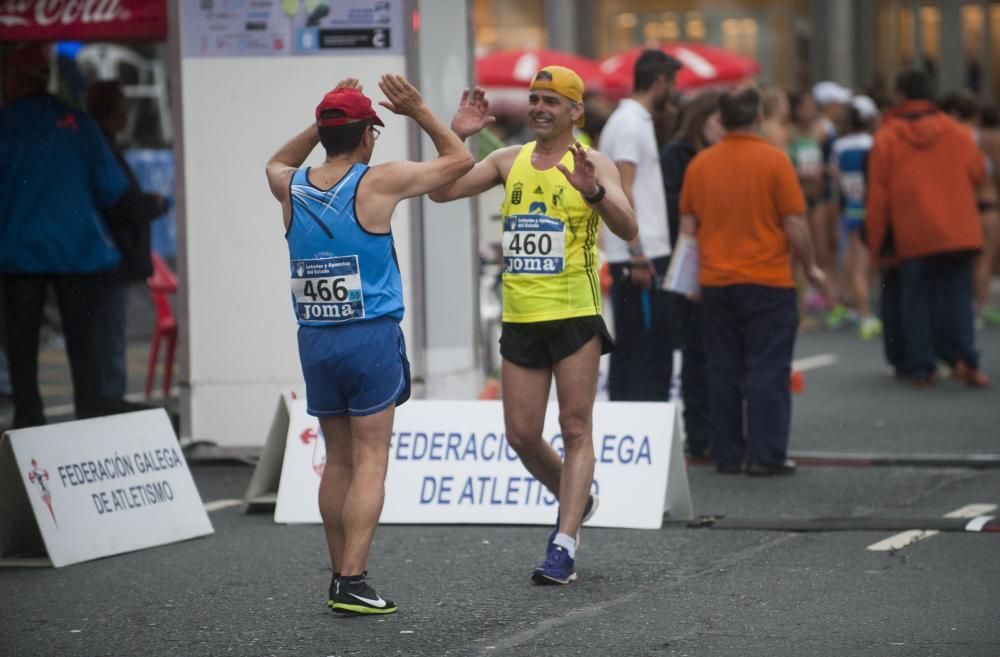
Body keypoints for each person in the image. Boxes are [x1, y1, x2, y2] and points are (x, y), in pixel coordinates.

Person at [264, 75, 473, 614]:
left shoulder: (291, 184)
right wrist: (421, 110)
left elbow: (274, 160)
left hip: (315, 338)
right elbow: (458, 162)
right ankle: (352, 580)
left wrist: (326, 115)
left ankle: (341, 574)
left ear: (326, 132)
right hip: (370, 335)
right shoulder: (377, 181)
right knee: (372, 458)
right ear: (367, 136)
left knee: (338, 462)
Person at [430, 66, 637, 584]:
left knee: (574, 427)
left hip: (573, 313)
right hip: (521, 315)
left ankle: (564, 543)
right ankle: (578, 495)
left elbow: (628, 228)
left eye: (551, 100)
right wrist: (460, 137)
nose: (539, 107)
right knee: (522, 434)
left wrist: (594, 193)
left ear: (575, 112)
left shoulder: (595, 162)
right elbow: (440, 192)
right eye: (534, 98)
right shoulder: (506, 160)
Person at [679, 86, 825, 476]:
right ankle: (765, 454)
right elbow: (795, 222)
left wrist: (687, 279)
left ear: (722, 120)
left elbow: (689, 229)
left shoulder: (701, 165)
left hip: (715, 281)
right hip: (768, 279)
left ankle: (727, 453)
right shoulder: (775, 162)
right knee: (767, 367)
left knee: (722, 367)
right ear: (758, 118)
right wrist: (810, 266)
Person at [0, 43, 129, 428]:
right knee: (82, 344)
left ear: (14, 79)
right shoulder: (75, 122)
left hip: (17, 254)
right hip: (77, 253)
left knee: (21, 346)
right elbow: (112, 188)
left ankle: (28, 419)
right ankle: (88, 415)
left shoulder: (4, 124)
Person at [866, 70, 989, 388]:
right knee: (957, 296)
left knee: (915, 300)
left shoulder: (888, 136)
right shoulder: (956, 131)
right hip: (956, 227)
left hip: (913, 230)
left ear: (902, 95)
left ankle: (922, 366)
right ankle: (965, 359)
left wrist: (877, 242)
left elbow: (878, 195)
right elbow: (977, 173)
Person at [599, 49, 681, 401]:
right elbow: (623, 189)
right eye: (672, 85)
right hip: (639, 254)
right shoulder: (631, 125)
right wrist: (636, 252)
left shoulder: (630, 120)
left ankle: (632, 422)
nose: (673, 93)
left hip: (637, 250)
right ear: (660, 82)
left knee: (637, 349)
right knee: (647, 351)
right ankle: (642, 425)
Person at [86, 80, 171, 401]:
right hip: (110, 263)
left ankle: (106, 403)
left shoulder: (102, 146)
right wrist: (152, 205)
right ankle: (108, 408)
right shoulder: (101, 149)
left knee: (107, 343)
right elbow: (121, 201)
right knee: (109, 344)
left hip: (107, 262)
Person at [660, 89, 723, 459]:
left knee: (718, 355)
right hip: (690, 264)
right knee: (698, 356)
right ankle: (701, 437)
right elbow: (672, 210)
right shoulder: (678, 156)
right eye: (718, 120)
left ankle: (720, 433)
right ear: (701, 120)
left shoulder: (716, 155)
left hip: (718, 262)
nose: (724, 128)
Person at [828, 95, 882, 340]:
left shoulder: (839, 146)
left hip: (851, 209)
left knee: (853, 262)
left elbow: (835, 177)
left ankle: (857, 307)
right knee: (867, 266)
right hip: (873, 210)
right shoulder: (874, 143)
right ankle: (866, 314)